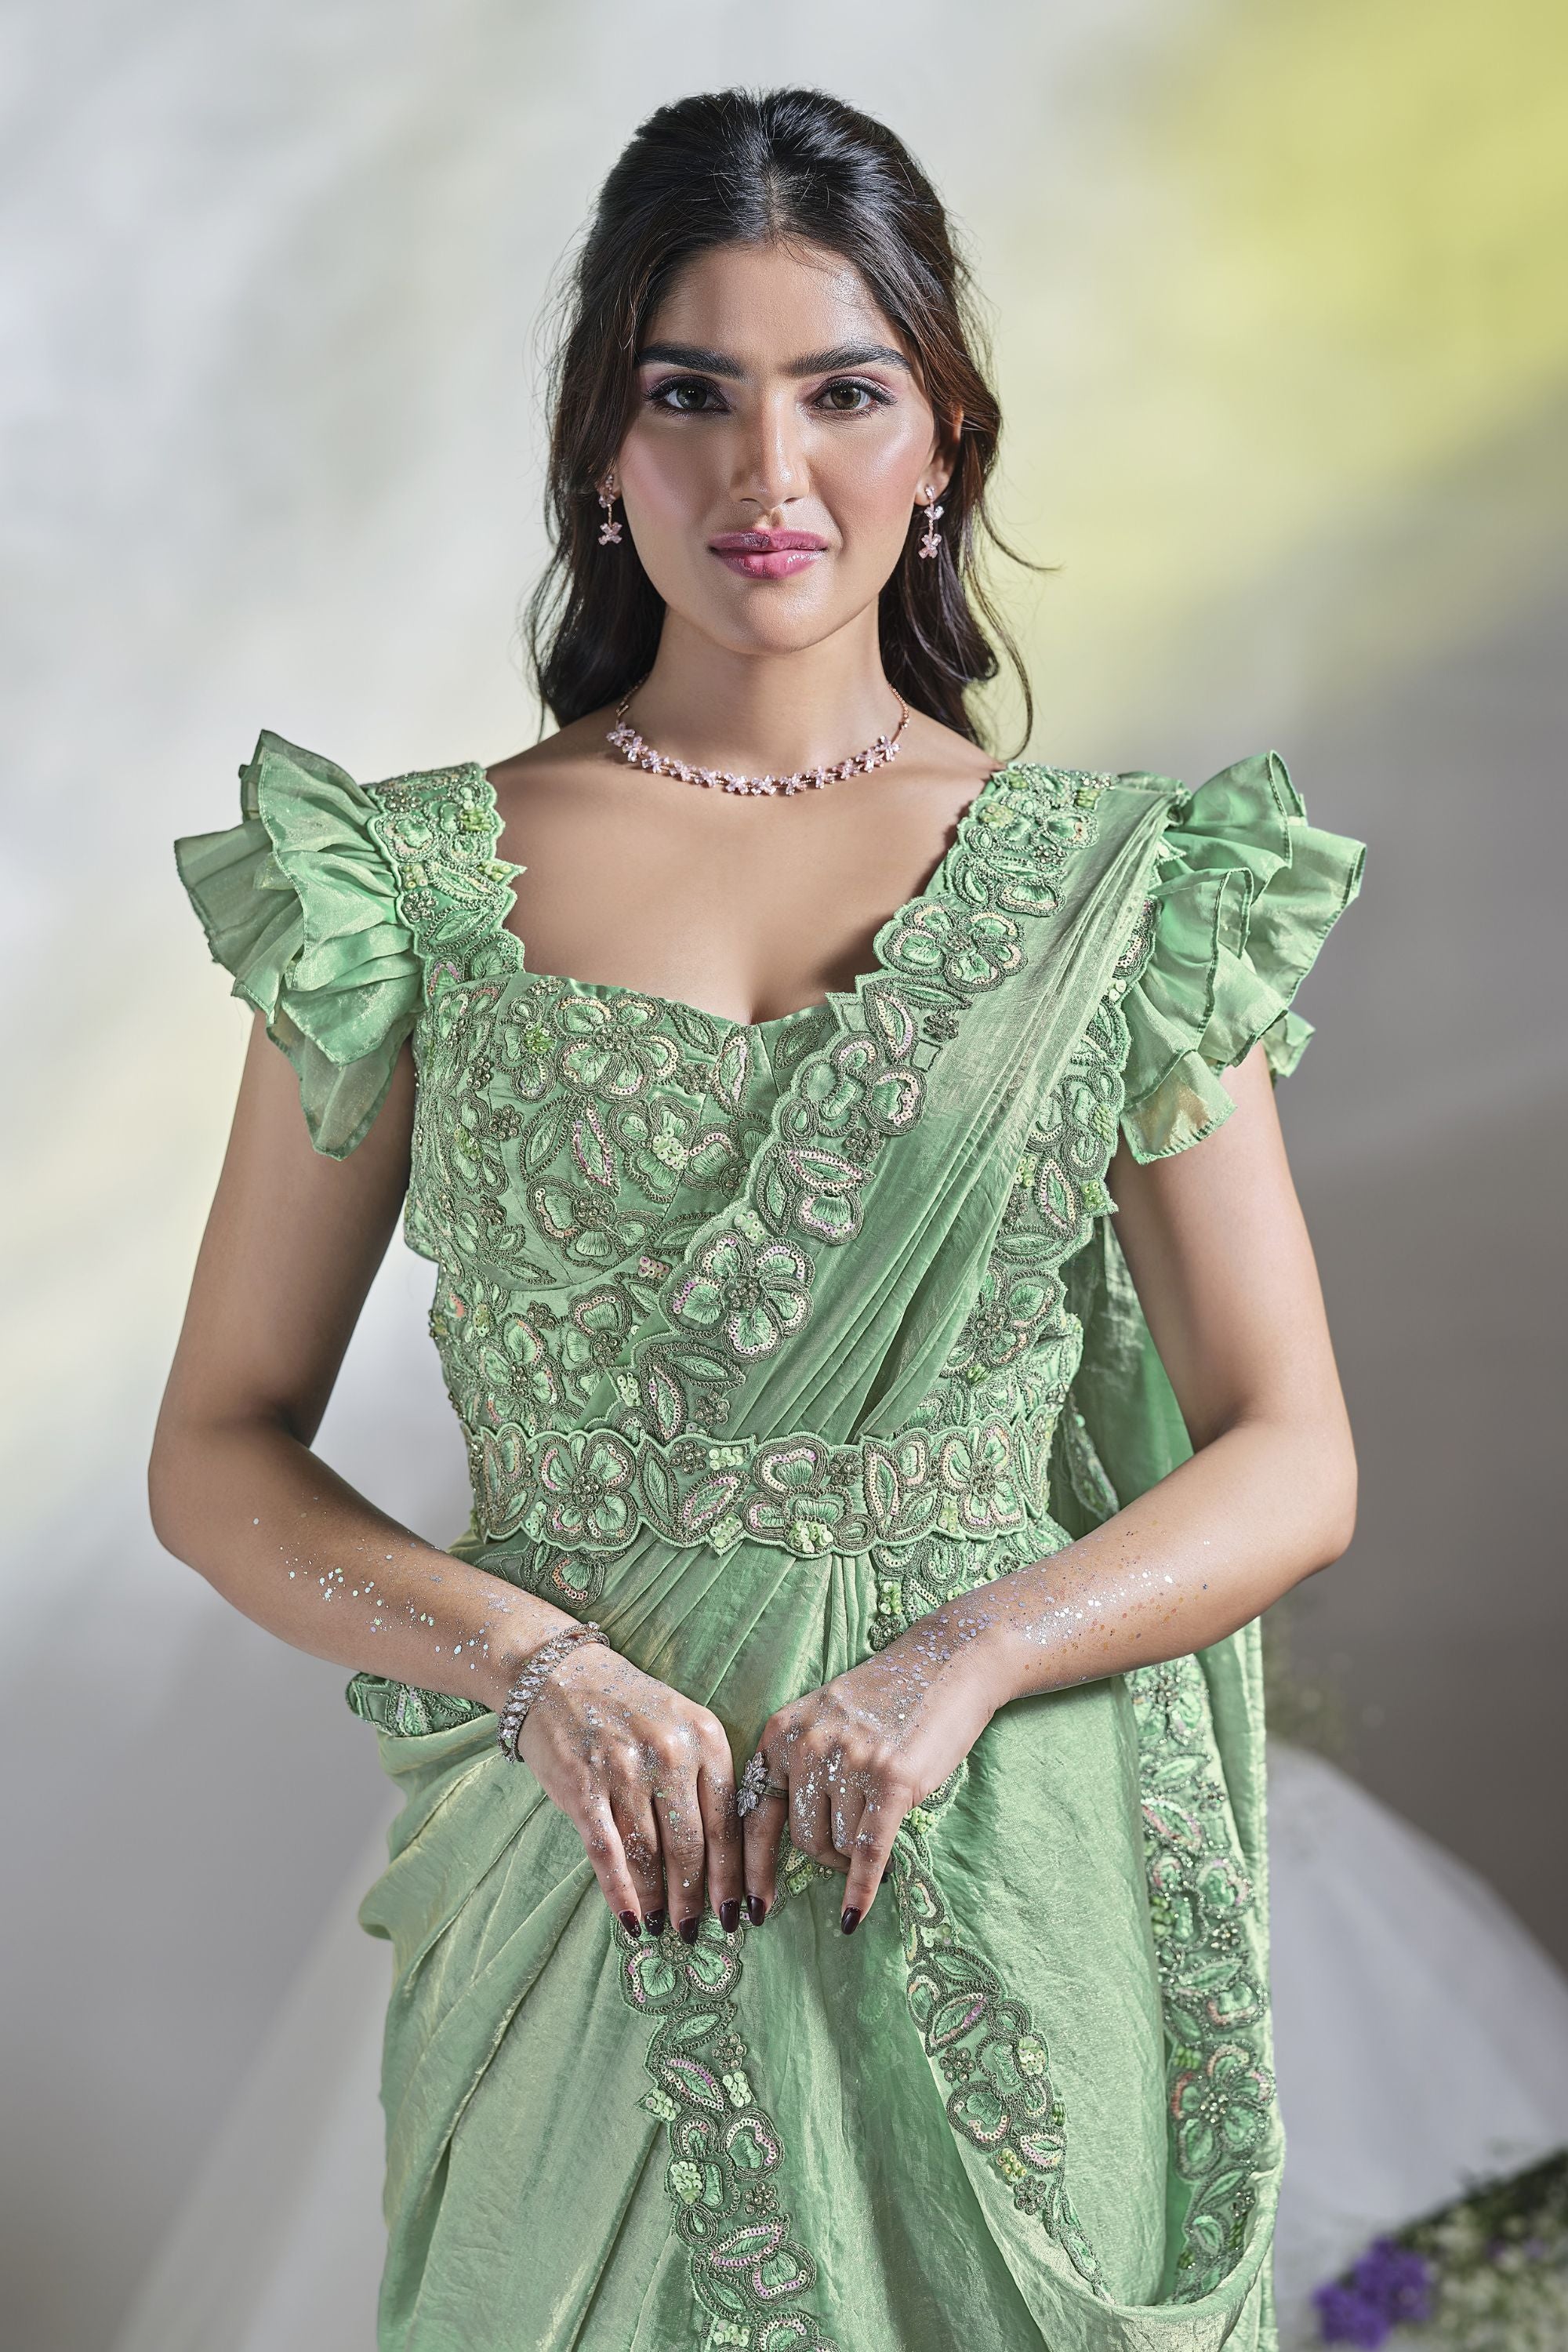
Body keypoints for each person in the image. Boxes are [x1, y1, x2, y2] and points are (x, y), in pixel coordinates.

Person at [150, 85, 1365, 2352]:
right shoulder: (399, 886)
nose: (766, 474)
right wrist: (536, 1667)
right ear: (598, 446)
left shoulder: (1123, 897)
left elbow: (1293, 1450)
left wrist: (962, 1655)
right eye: (689, 393)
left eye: (844, 393)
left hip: (1002, 1859)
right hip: (589, 1874)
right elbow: (218, 1451)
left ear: (945, 442)